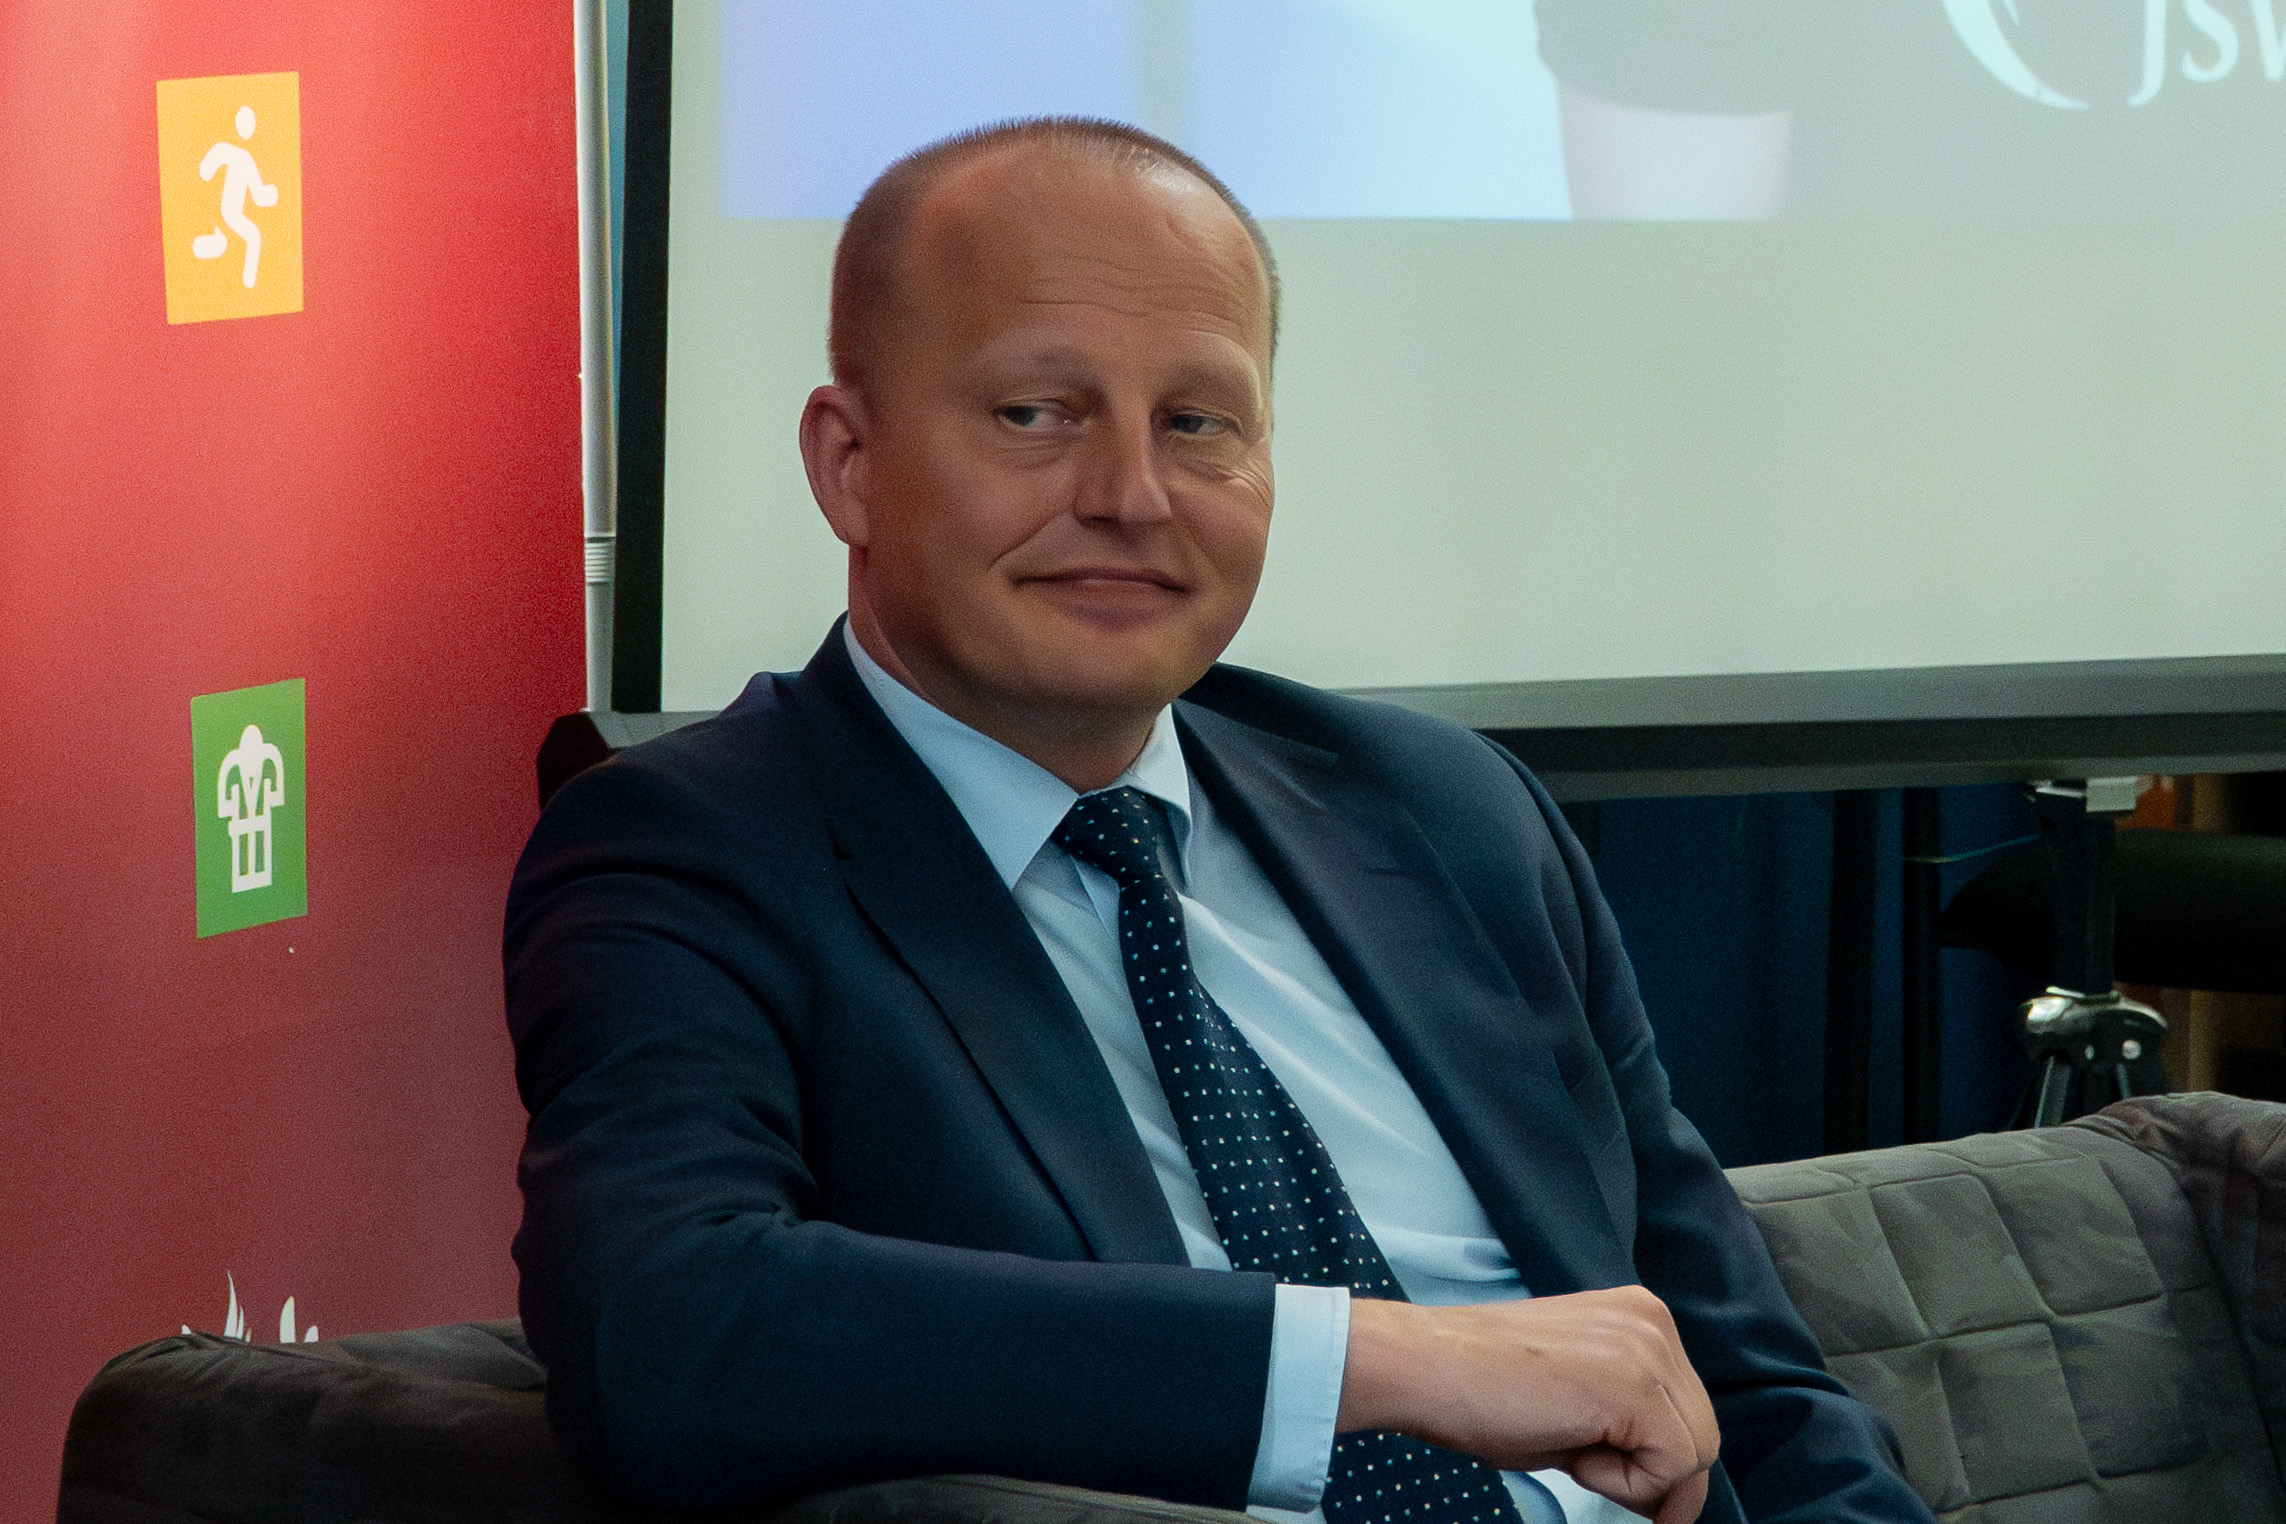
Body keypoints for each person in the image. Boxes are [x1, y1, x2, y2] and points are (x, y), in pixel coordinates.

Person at [504, 118, 1932, 1524]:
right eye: (1036, 414)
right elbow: (666, 1333)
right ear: (848, 462)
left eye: (1197, 424)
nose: (1131, 496)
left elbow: (1751, 1386)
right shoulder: (696, 851)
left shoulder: (1449, 811)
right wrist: (1375, 1362)